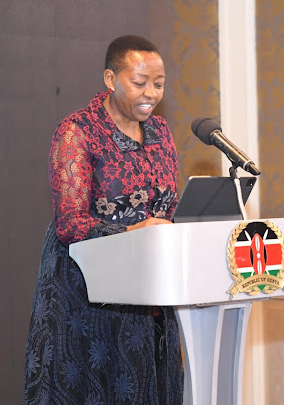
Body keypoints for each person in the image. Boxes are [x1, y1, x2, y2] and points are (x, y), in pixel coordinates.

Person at [23, 35, 184, 405]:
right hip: (87, 295)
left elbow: (166, 206)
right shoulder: (78, 132)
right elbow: (70, 224)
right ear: (111, 79)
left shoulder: (160, 133)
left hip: (150, 288)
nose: (151, 93)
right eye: (139, 82)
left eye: (159, 84)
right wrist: (132, 231)